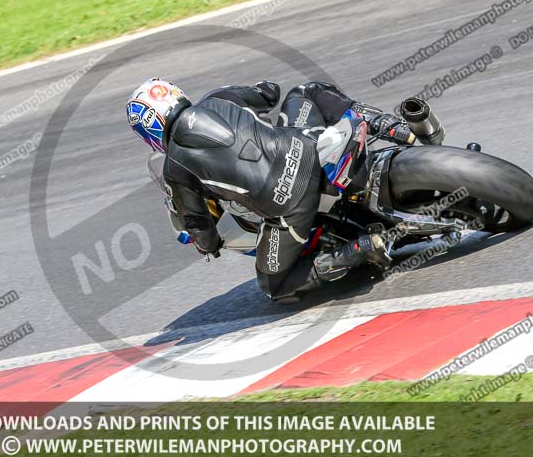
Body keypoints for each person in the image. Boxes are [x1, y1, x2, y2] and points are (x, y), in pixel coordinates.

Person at [125, 78, 415, 303]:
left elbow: (200, 226)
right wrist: (253, 93)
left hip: (291, 205)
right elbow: (269, 93)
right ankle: (393, 126)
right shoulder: (217, 98)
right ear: (174, 94)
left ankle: (358, 250)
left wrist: (209, 246)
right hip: (307, 148)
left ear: (146, 131)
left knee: (274, 286)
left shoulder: (174, 169)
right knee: (307, 90)